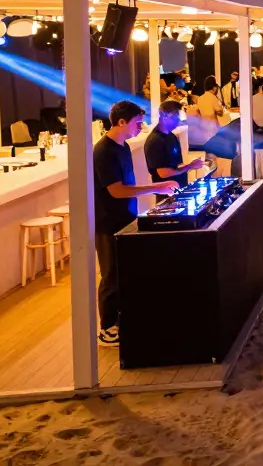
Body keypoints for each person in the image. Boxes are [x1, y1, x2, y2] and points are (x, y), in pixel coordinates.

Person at [94, 101, 180, 345]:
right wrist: (156, 187)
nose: (141, 127)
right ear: (121, 122)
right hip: (107, 221)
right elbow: (117, 191)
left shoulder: (122, 147)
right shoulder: (104, 151)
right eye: (137, 123)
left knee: (124, 272)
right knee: (111, 275)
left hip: (124, 217)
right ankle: (106, 328)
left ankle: (121, 320)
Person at [144, 100, 205, 187]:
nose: (178, 121)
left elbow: (177, 165)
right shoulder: (155, 141)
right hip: (167, 192)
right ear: (165, 116)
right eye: (176, 118)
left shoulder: (171, 136)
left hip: (178, 188)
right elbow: (163, 173)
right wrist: (190, 166)